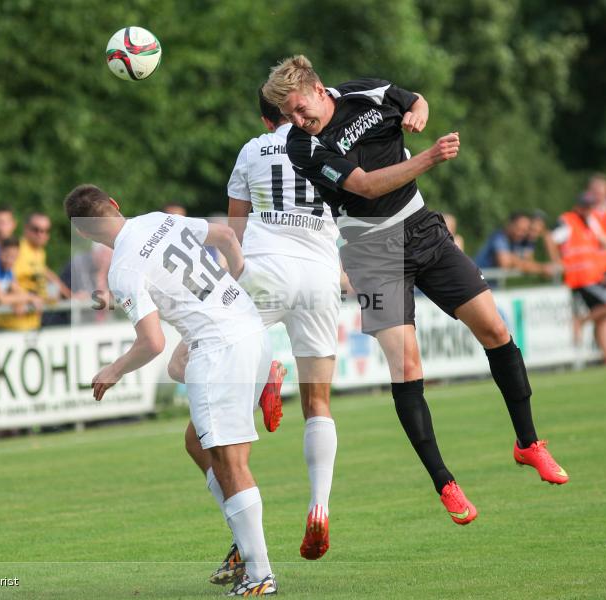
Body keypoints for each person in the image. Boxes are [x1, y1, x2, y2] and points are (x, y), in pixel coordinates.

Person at [263, 54, 568, 526]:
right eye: (289, 117)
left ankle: (529, 444)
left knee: (495, 330)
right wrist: (429, 156)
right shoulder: (303, 148)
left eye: (301, 109)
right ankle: (445, 482)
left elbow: (411, 99)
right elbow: (363, 187)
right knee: (407, 365)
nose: (297, 121)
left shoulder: (364, 91)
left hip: (423, 230)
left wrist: (419, 111)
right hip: (371, 252)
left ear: (319, 89)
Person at [65, 184, 278, 596]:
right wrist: (232, 282)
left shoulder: (123, 269)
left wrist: (115, 369)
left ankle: (260, 574)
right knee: (197, 442)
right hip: (249, 327)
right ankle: (244, 539)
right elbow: (228, 237)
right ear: (114, 203)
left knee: (230, 463)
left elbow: (151, 343)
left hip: (221, 348)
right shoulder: (156, 219)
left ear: (84, 233)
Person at [170, 89, 341, 570]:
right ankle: (320, 505)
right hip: (321, 279)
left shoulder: (252, 149)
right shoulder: (334, 144)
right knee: (319, 403)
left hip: (264, 271)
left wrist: (228, 288)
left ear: (267, 121)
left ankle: (244, 543)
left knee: (192, 406)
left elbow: (234, 233)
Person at [552, 194, 606, 367]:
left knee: (604, 318)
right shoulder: (568, 220)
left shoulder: (590, 223)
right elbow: (552, 238)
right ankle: (582, 321)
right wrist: (557, 262)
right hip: (581, 278)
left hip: (594, 276)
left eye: (590, 206)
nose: (587, 209)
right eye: (584, 206)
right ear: (577, 206)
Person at [0, 212, 71, 331]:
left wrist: (69, 295)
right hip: (9, 326)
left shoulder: (39, 252)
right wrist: (22, 298)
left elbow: (44, 271)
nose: (41, 234)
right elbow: (6, 278)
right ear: (26, 229)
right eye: (36, 230)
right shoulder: (17, 249)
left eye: (45, 231)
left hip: (31, 324)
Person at [474, 212, 554, 277]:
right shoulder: (499, 238)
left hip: (490, 285)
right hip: (478, 285)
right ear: (509, 225)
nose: (521, 234)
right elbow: (504, 263)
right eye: (519, 229)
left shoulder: (515, 240)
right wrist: (542, 268)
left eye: (524, 231)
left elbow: (528, 262)